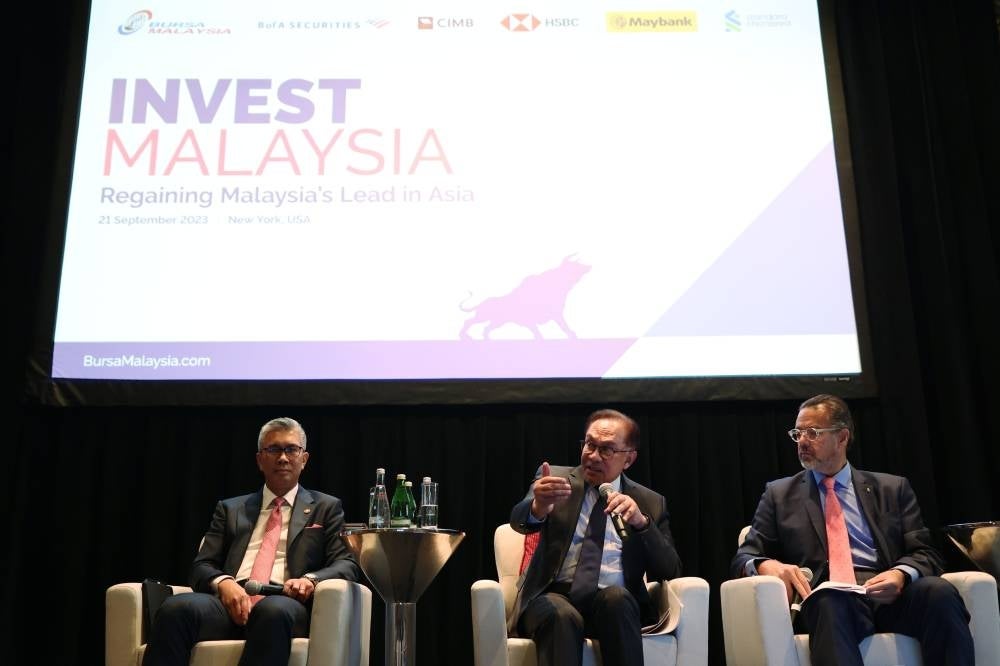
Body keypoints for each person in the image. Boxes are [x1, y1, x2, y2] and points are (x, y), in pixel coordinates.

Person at [731, 394, 974, 666]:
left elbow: (925, 551)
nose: (802, 441)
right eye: (798, 433)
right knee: (829, 600)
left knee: (939, 592)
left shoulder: (892, 489)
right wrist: (768, 566)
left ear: (842, 437)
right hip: (830, 601)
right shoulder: (779, 494)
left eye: (813, 433)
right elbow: (744, 556)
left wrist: (900, 574)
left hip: (888, 594)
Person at [143, 417, 361, 666]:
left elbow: (346, 564)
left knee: (271, 611)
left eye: (291, 449)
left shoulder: (326, 507)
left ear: (304, 459)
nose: (282, 457)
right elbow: (201, 565)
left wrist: (310, 580)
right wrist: (224, 583)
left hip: (285, 602)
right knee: (175, 608)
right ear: (260, 460)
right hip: (229, 604)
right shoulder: (231, 508)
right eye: (273, 449)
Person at [509, 409, 682, 666]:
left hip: (614, 602)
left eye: (607, 450)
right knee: (562, 616)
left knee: (619, 600)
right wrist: (538, 507)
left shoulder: (649, 502)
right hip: (553, 596)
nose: (593, 456)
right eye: (590, 445)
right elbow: (519, 521)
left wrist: (642, 524)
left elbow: (671, 569)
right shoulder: (555, 479)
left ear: (629, 459)